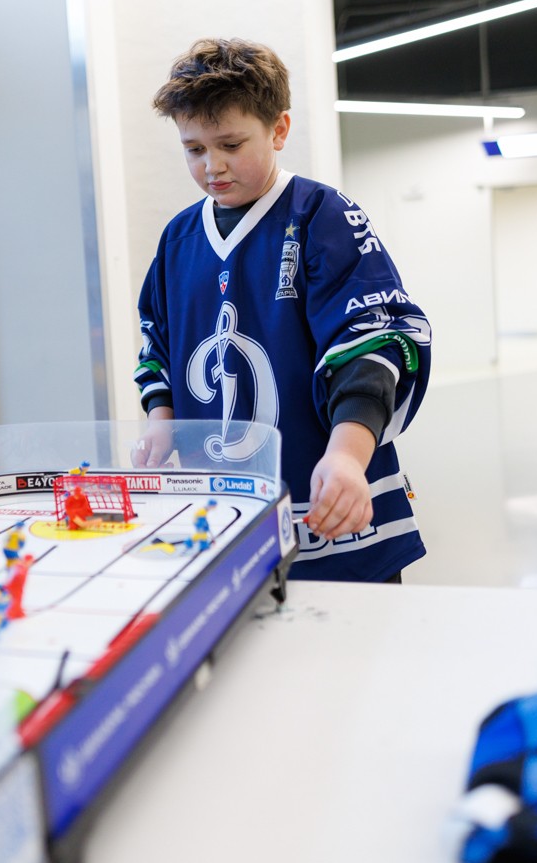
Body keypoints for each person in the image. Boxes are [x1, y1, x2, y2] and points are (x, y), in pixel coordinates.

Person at [133, 38, 431, 582]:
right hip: (227, 512)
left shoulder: (321, 216)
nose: (212, 166)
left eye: (230, 144)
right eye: (194, 149)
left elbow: (373, 343)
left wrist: (347, 455)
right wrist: (162, 419)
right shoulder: (178, 238)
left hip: (332, 511)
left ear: (279, 130)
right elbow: (158, 342)